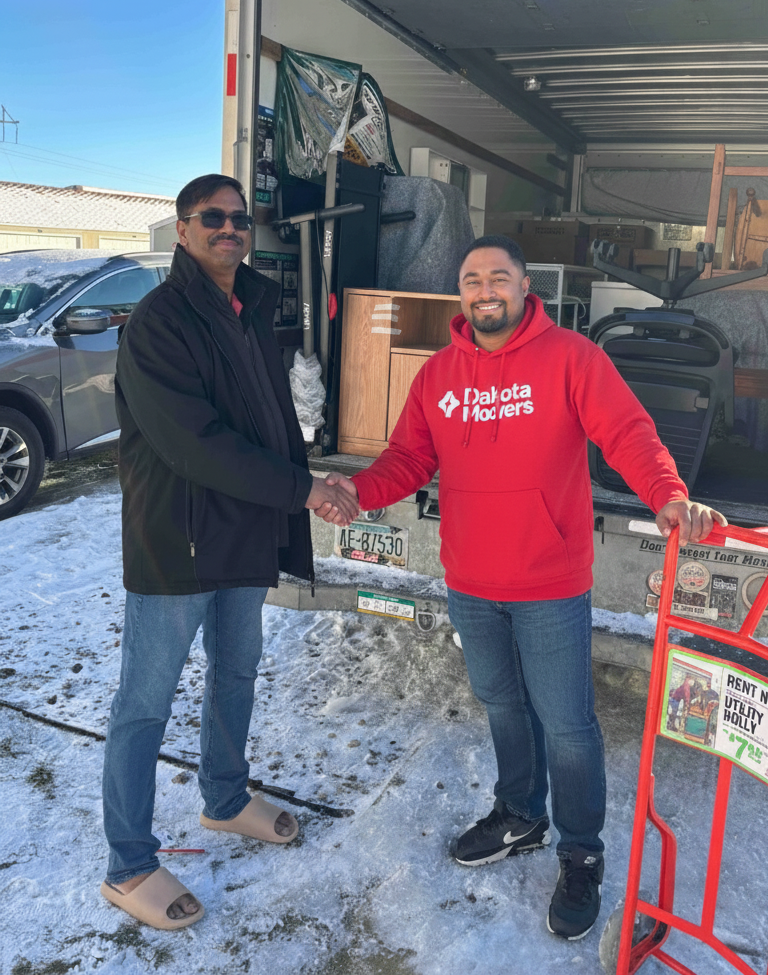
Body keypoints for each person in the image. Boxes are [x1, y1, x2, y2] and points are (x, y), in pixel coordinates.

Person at [324, 234, 726, 941]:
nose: (485, 290)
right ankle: (521, 814)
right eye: (472, 278)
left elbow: (628, 432)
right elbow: (408, 458)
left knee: (569, 727)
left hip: (549, 582)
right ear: (461, 292)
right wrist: (355, 491)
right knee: (503, 705)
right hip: (471, 581)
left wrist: (667, 492)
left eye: (498, 277)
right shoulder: (438, 376)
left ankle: (581, 852)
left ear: (523, 285)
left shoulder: (573, 359)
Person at [100, 173, 358, 931]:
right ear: (181, 230)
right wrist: (301, 490)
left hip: (242, 531)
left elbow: (268, 419)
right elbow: (195, 444)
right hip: (176, 542)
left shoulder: (251, 308)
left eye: (239, 218)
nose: (228, 228)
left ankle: (223, 797)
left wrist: (308, 471)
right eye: (211, 217)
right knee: (143, 707)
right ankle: (129, 863)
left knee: (236, 671)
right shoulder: (158, 322)